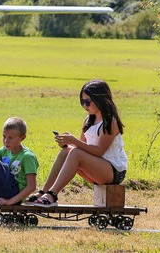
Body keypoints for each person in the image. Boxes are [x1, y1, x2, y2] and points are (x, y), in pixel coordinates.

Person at [32, 79, 127, 207]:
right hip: (98, 168)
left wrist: (73, 141)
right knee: (67, 151)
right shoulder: (88, 120)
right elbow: (82, 147)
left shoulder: (110, 121)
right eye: (82, 102)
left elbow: (98, 151)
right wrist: (67, 144)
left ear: (100, 99)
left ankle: (52, 195)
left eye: (88, 102)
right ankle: (44, 191)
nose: (84, 106)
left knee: (75, 152)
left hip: (114, 171)